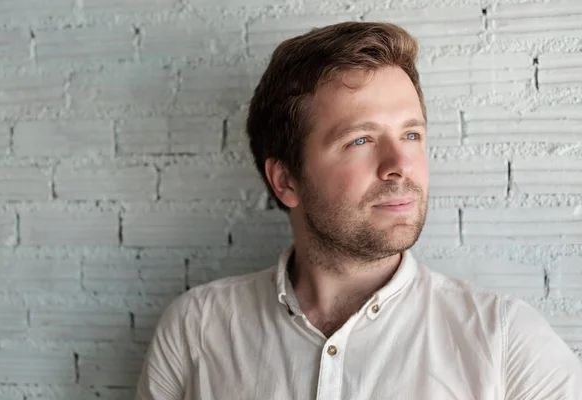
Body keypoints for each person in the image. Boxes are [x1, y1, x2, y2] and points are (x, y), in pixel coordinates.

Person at [135, 22, 582, 399]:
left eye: (411, 135)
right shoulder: (196, 330)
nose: (400, 166)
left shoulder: (506, 342)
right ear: (286, 180)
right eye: (361, 140)